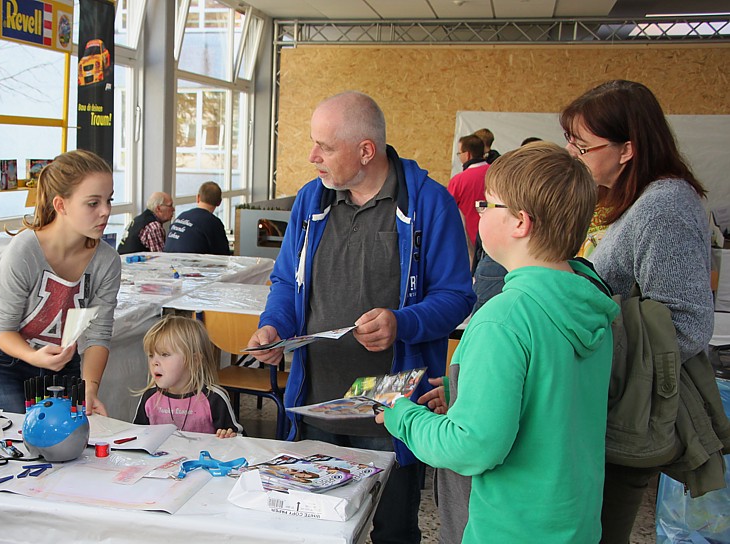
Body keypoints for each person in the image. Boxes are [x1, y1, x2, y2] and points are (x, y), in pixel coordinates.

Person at [248, 90, 475, 544]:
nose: (312, 156)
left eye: (325, 147)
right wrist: (274, 327)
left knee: (392, 531)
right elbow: (286, 285)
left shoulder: (430, 204)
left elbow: (456, 297)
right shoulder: (312, 201)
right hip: (314, 407)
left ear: (365, 151)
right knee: (309, 529)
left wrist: (401, 323)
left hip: (389, 414)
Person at [378, 141, 619, 543]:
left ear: (520, 223)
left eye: (488, 205)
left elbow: (472, 448)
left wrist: (401, 416)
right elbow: (552, 399)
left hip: (510, 529)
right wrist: (464, 392)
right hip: (574, 523)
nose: (480, 213)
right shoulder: (589, 299)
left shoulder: (502, 318)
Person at [561, 79, 729, 544]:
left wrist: (587, 335)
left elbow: (686, 324)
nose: (574, 155)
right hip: (610, 402)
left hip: (626, 413)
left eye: (583, 145)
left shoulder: (665, 205)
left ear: (627, 149)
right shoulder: (638, 199)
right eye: (570, 142)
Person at [0, 149, 121, 415]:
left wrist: (90, 388)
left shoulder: (107, 261)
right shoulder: (24, 251)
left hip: (62, 364)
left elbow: (98, 336)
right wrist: (32, 357)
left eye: (109, 200)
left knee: (67, 447)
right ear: (61, 205)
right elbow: (2, 330)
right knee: (19, 446)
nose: (105, 212)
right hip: (4, 361)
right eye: (93, 203)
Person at [133, 315, 241, 437]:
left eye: (165, 354)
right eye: (151, 355)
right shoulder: (149, 398)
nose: (154, 362)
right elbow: (138, 438)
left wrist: (229, 436)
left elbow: (239, 440)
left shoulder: (214, 398)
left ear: (194, 360)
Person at [164, 181, 230, 255]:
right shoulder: (214, 223)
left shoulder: (182, 216)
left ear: (198, 197)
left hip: (169, 263)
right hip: (191, 264)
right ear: (219, 202)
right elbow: (223, 256)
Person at [448, 134, 489, 249]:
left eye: (459, 153)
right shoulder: (497, 173)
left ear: (467, 154)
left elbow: (447, 211)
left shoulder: (458, 180)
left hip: (469, 242)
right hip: (495, 237)